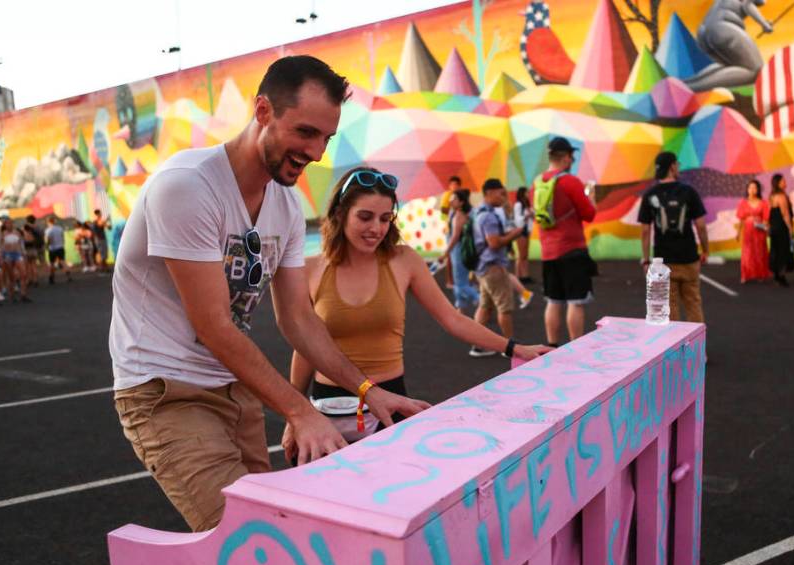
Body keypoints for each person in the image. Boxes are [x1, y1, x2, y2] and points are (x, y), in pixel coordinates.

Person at [109, 55, 426, 532]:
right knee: (249, 541)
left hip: (237, 387)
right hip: (166, 390)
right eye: (304, 132)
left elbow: (298, 317)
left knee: (271, 541)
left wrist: (368, 391)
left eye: (326, 137)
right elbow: (213, 324)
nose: (316, 151)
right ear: (262, 111)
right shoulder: (188, 187)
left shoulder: (286, 205)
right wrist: (300, 410)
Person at [286, 167, 551, 450]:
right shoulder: (312, 269)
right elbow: (306, 345)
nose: (376, 228)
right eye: (365, 217)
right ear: (339, 214)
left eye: (385, 218)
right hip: (330, 406)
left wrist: (514, 347)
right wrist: (295, 416)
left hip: (394, 398)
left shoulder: (404, 261)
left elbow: (452, 319)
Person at [530, 137, 598, 345]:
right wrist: (591, 195)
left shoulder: (537, 183)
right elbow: (589, 214)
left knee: (553, 301)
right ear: (566, 157)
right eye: (572, 156)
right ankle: (575, 346)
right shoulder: (570, 181)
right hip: (572, 250)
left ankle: (551, 345)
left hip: (548, 251)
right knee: (575, 303)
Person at [638, 151, 709, 322]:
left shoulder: (650, 195)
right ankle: (697, 348)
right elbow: (700, 226)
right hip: (689, 258)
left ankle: (674, 348)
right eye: (677, 164)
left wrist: (646, 260)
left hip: (663, 261)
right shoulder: (689, 192)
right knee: (693, 303)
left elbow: (645, 231)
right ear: (671, 167)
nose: (678, 167)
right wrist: (705, 250)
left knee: (670, 307)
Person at [469, 178, 526, 357]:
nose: (504, 197)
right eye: (501, 193)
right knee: (504, 308)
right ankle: (510, 348)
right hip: (493, 267)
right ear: (490, 193)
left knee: (485, 307)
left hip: (482, 268)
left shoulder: (479, 212)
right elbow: (494, 243)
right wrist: (515, 234)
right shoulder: (489, 215)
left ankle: (477, 345)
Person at [437, 188, 480, 313]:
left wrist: (445, 254)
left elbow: (455, 237)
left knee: (460, 284)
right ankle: (460, 308)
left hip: (458, 251)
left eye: (454, 199)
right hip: (461, 251)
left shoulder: (459, 216)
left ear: (461, 202)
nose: (450, 201)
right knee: (461, 281)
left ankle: (482, 300)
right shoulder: (462, 213)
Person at [735, 179, 772, 283]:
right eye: (750, 187)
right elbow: (741, 219)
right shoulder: (743, 203)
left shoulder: (763, 203)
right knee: (747, 253)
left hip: (759, 230)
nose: (752, 190)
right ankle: (745, 275)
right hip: (748, 231)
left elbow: (766, 218)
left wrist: (765, 227)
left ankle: (760, 274)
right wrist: (738, 233)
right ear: (747, 189)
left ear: (758, 189)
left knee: (759, 252)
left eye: (755, 187)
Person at [768, 173, 794, 287]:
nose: (785, 183)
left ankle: (776, 275)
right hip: (781, 227)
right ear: (778, 183)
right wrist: (791, 229)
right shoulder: (781, 196)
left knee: (776, 250)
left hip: (774, 227)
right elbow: (785, 214)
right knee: (784, 251)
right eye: (783, 181)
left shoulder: (772, 196)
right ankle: (781, 276)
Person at [0, 217, 31, 303]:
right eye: (8, 223)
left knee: (23, 274)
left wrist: (24, 254)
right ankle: (12, 296)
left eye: (11, 223)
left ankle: (23, 295)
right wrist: (1, 257)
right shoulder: (3, 234)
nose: (10, 225)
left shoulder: (17, 233)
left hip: (17, 254)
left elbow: (21, 244)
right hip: (8, 255)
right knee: (11, 277)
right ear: (5, 225)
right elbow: (1, 246)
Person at [439, 175, 461, 289]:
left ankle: (459, 281)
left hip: (459, 229)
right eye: (452, 185)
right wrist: (454, 207)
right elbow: (442, 208)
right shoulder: (447, 195)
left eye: (456, 185)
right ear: (450, 185)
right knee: (451, 256)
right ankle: (450, 281)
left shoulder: (461, 195)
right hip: (450, 230)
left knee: (459, 256)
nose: (454, 187)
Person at [513, 186, 534, 283]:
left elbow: (533, 217)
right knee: (521, 254)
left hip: (527, 230)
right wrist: (527, 215)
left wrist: (531, 214)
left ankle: (525, 275)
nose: (528, 194)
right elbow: (517, 219)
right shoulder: (518, 205)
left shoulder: (527, 204)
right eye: (526, 193)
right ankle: (518, 275)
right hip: (520, 230)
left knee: (525, 254)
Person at [45, 215, 71, 284]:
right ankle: (68, 275)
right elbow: (62, 237)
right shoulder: (59, 228)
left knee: (52, 263)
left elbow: (48, 239)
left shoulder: (48, 230)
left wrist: (47, 246)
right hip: (60, 247)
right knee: (63, 261)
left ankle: (51, 277)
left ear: (48, 222)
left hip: (52, 248)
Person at [22, 215, 45, 287]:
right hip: (34, 249)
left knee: (28, 267)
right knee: (34, 266)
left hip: (27, 251)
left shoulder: (24, 232)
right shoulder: (37, 228)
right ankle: (36, 280)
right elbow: (42, 235)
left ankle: (29, 280)